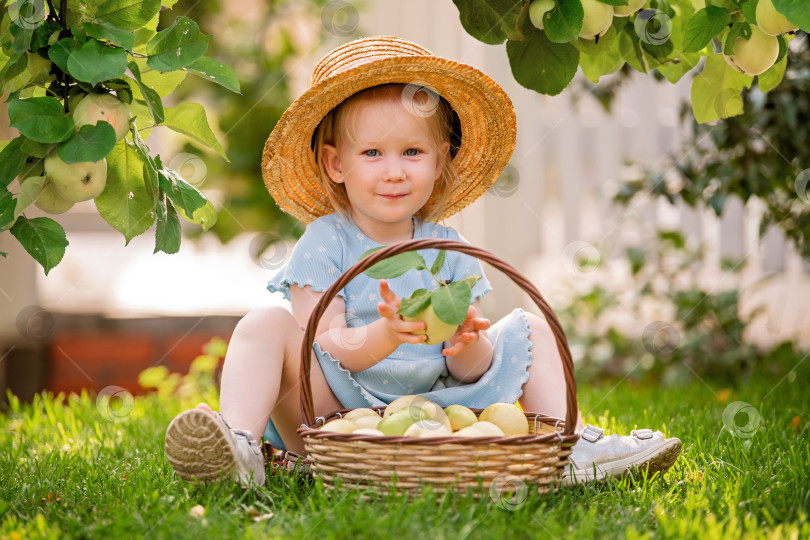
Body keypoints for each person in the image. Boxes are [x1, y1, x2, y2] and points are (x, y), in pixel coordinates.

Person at [164, 36, 681, 488]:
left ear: (440, 161)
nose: (394, 172)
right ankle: (240, 448)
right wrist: (385, 336)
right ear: (335, 163)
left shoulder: (448, 247)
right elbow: (328, 342)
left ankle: (566, 447)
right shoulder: (325, 243)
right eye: (372, 154)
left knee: (529, 323)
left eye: (412, 152)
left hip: (438, 411)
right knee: (265, 325)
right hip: (337, 414)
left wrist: (469, 344)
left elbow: (467, 367)